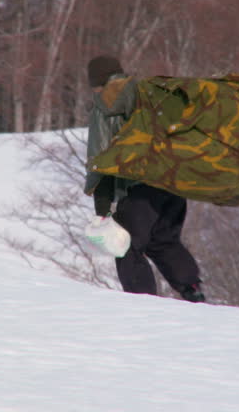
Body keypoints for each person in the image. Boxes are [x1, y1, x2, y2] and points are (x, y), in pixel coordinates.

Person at [84, 55, 206, 303]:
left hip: (139, 186)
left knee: (126, 245)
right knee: (163, 240)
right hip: (172, 182)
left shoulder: (106, 104)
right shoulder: (147, 94)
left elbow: (102, 156)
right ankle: (193, 289)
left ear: (97, 83)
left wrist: (102, 208)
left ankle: (143, 305)